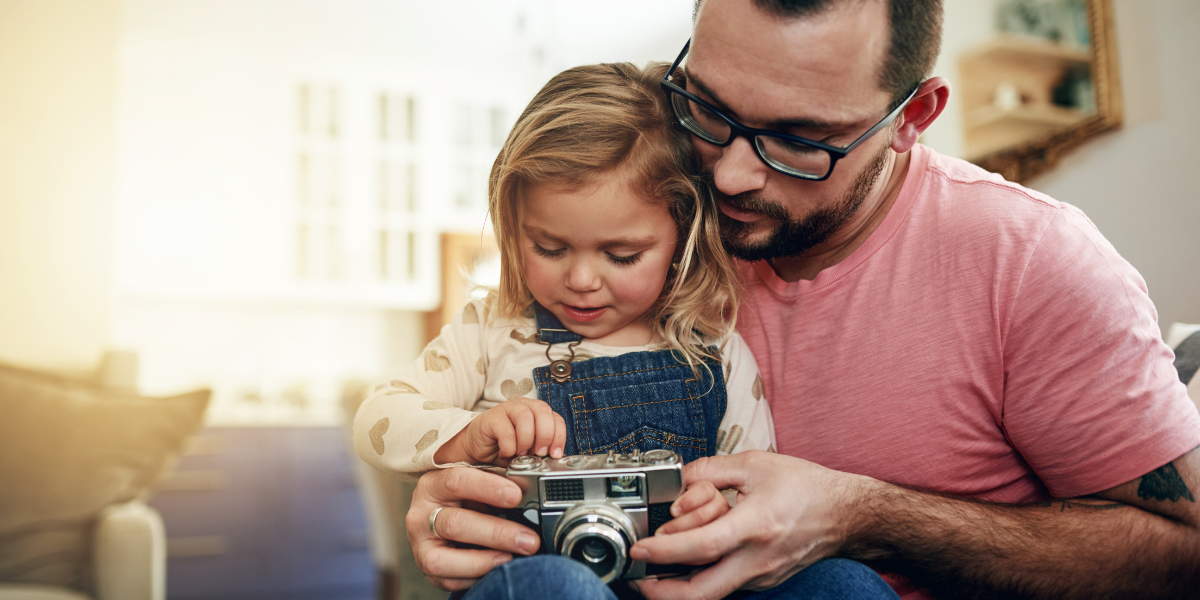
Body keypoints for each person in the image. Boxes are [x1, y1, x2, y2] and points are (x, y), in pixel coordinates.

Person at [401, 1, 1200, 599]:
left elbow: (1181, 551)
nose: (728, 177)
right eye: (708, 106)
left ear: (910, 118)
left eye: (798, 140)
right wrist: (453, 495)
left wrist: (867, 513)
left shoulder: (1031, 261)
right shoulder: (655, 205)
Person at [353, 62, 899, 599]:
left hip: (684, 586)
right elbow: (377, 419)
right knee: (554, 585)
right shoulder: (493, 328)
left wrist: (718, 513)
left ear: (681, 234)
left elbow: (754, 491)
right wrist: (464, 435)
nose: (582, 280)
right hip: (542, 578)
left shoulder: (714, 350)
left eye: (621, 255)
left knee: (844, 584)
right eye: (549, 247)